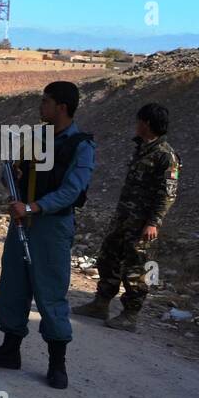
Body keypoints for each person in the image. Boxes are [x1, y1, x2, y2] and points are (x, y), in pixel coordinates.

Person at [0, 80, 95, 389]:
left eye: (45, 102)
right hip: (22, 222)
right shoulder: (34, 137)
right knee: (13, 286)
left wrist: (34, 208)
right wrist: (11, 176)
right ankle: (10, 350)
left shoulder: (80, 145)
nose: (41, 107)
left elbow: (71, 190)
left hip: (51, 226)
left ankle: (57, 363)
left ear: (61, 107)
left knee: (50, 292)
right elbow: (10, 173)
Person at [73, 103, 179, 333]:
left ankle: (131, 315)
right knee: (107, 258)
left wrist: (154, 222)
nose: (136, 124)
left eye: (139, 120)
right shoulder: (142, 148)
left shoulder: (166, 156)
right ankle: (100, 304)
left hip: (143, 225)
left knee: (137, 269)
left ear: (147, 123)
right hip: (123, 219)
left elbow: (167, 194)